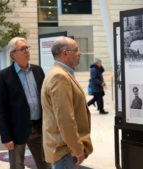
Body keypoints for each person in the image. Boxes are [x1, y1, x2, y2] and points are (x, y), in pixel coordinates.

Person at [0, 37, 50, 169]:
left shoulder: (38, 71)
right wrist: (5, 137)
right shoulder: (4, 76)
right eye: (22, 49)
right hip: (16, 130)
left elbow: (45, 99)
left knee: (46, 164)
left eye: (27, 48)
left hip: (38, 127)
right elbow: (0, 109)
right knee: (17, 166)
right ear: (13, 55)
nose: (27, 51)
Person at [41, 37, 93, 169]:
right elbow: (65, 119)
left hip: (63, 148)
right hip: (65, 150)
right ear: (65, 53)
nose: (79, 53)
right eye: (76, 50)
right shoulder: (60, 77)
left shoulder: (59, 73)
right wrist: (77, 149)